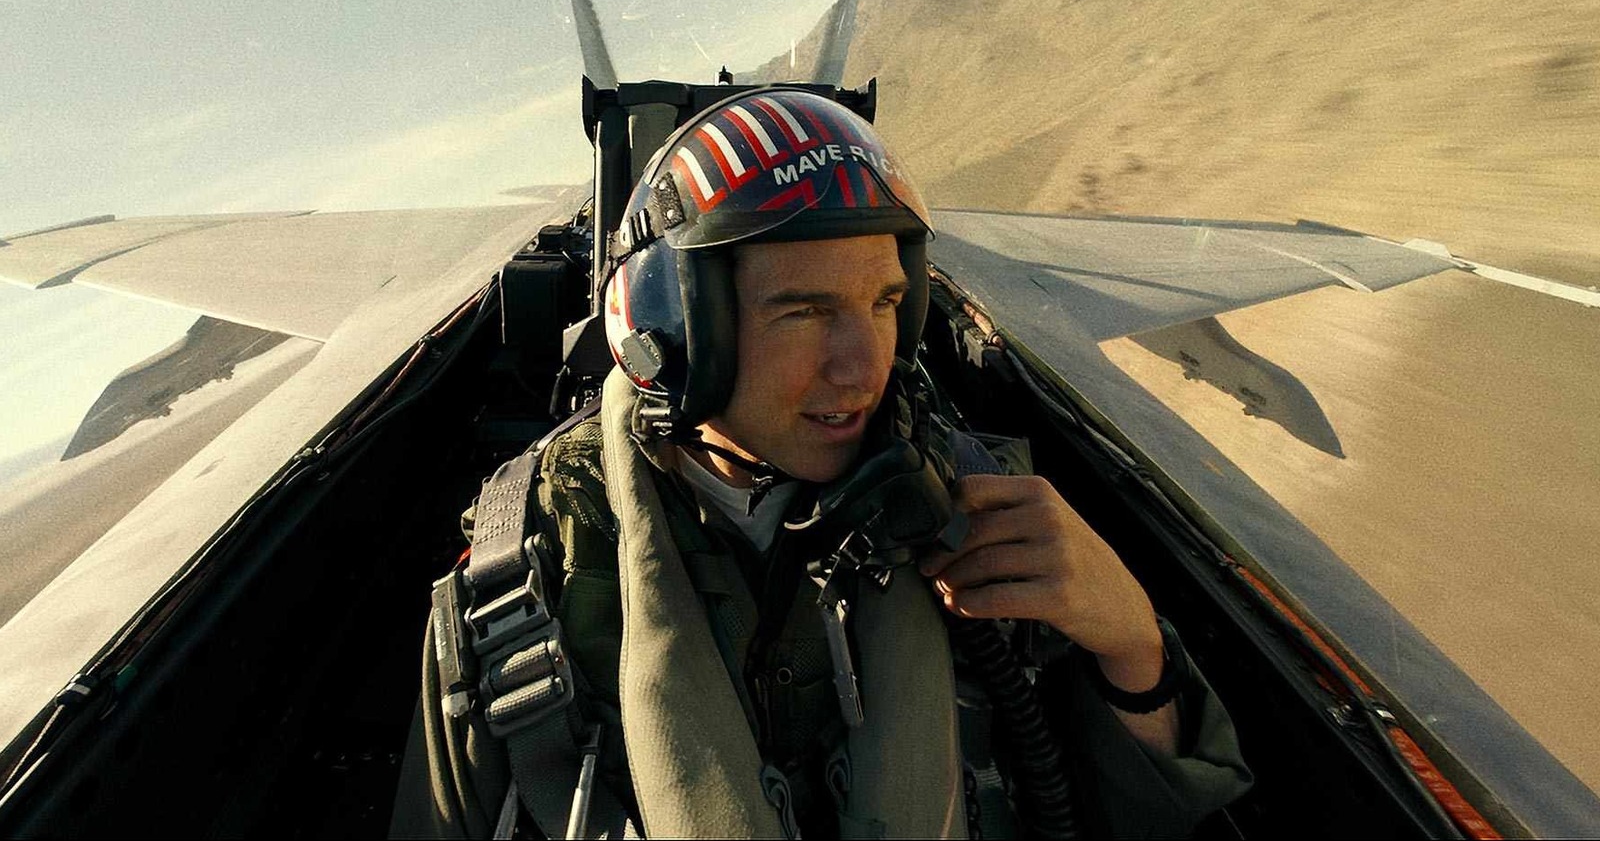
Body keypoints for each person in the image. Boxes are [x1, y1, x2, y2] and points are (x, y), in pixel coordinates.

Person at [391, 88, 1251, 839]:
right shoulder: (527, 578)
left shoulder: (977, 503)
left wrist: (1130, 642)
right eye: (803, 312)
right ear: (677, 331)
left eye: (884, 302)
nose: (864, 366)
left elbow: (1126, 816)